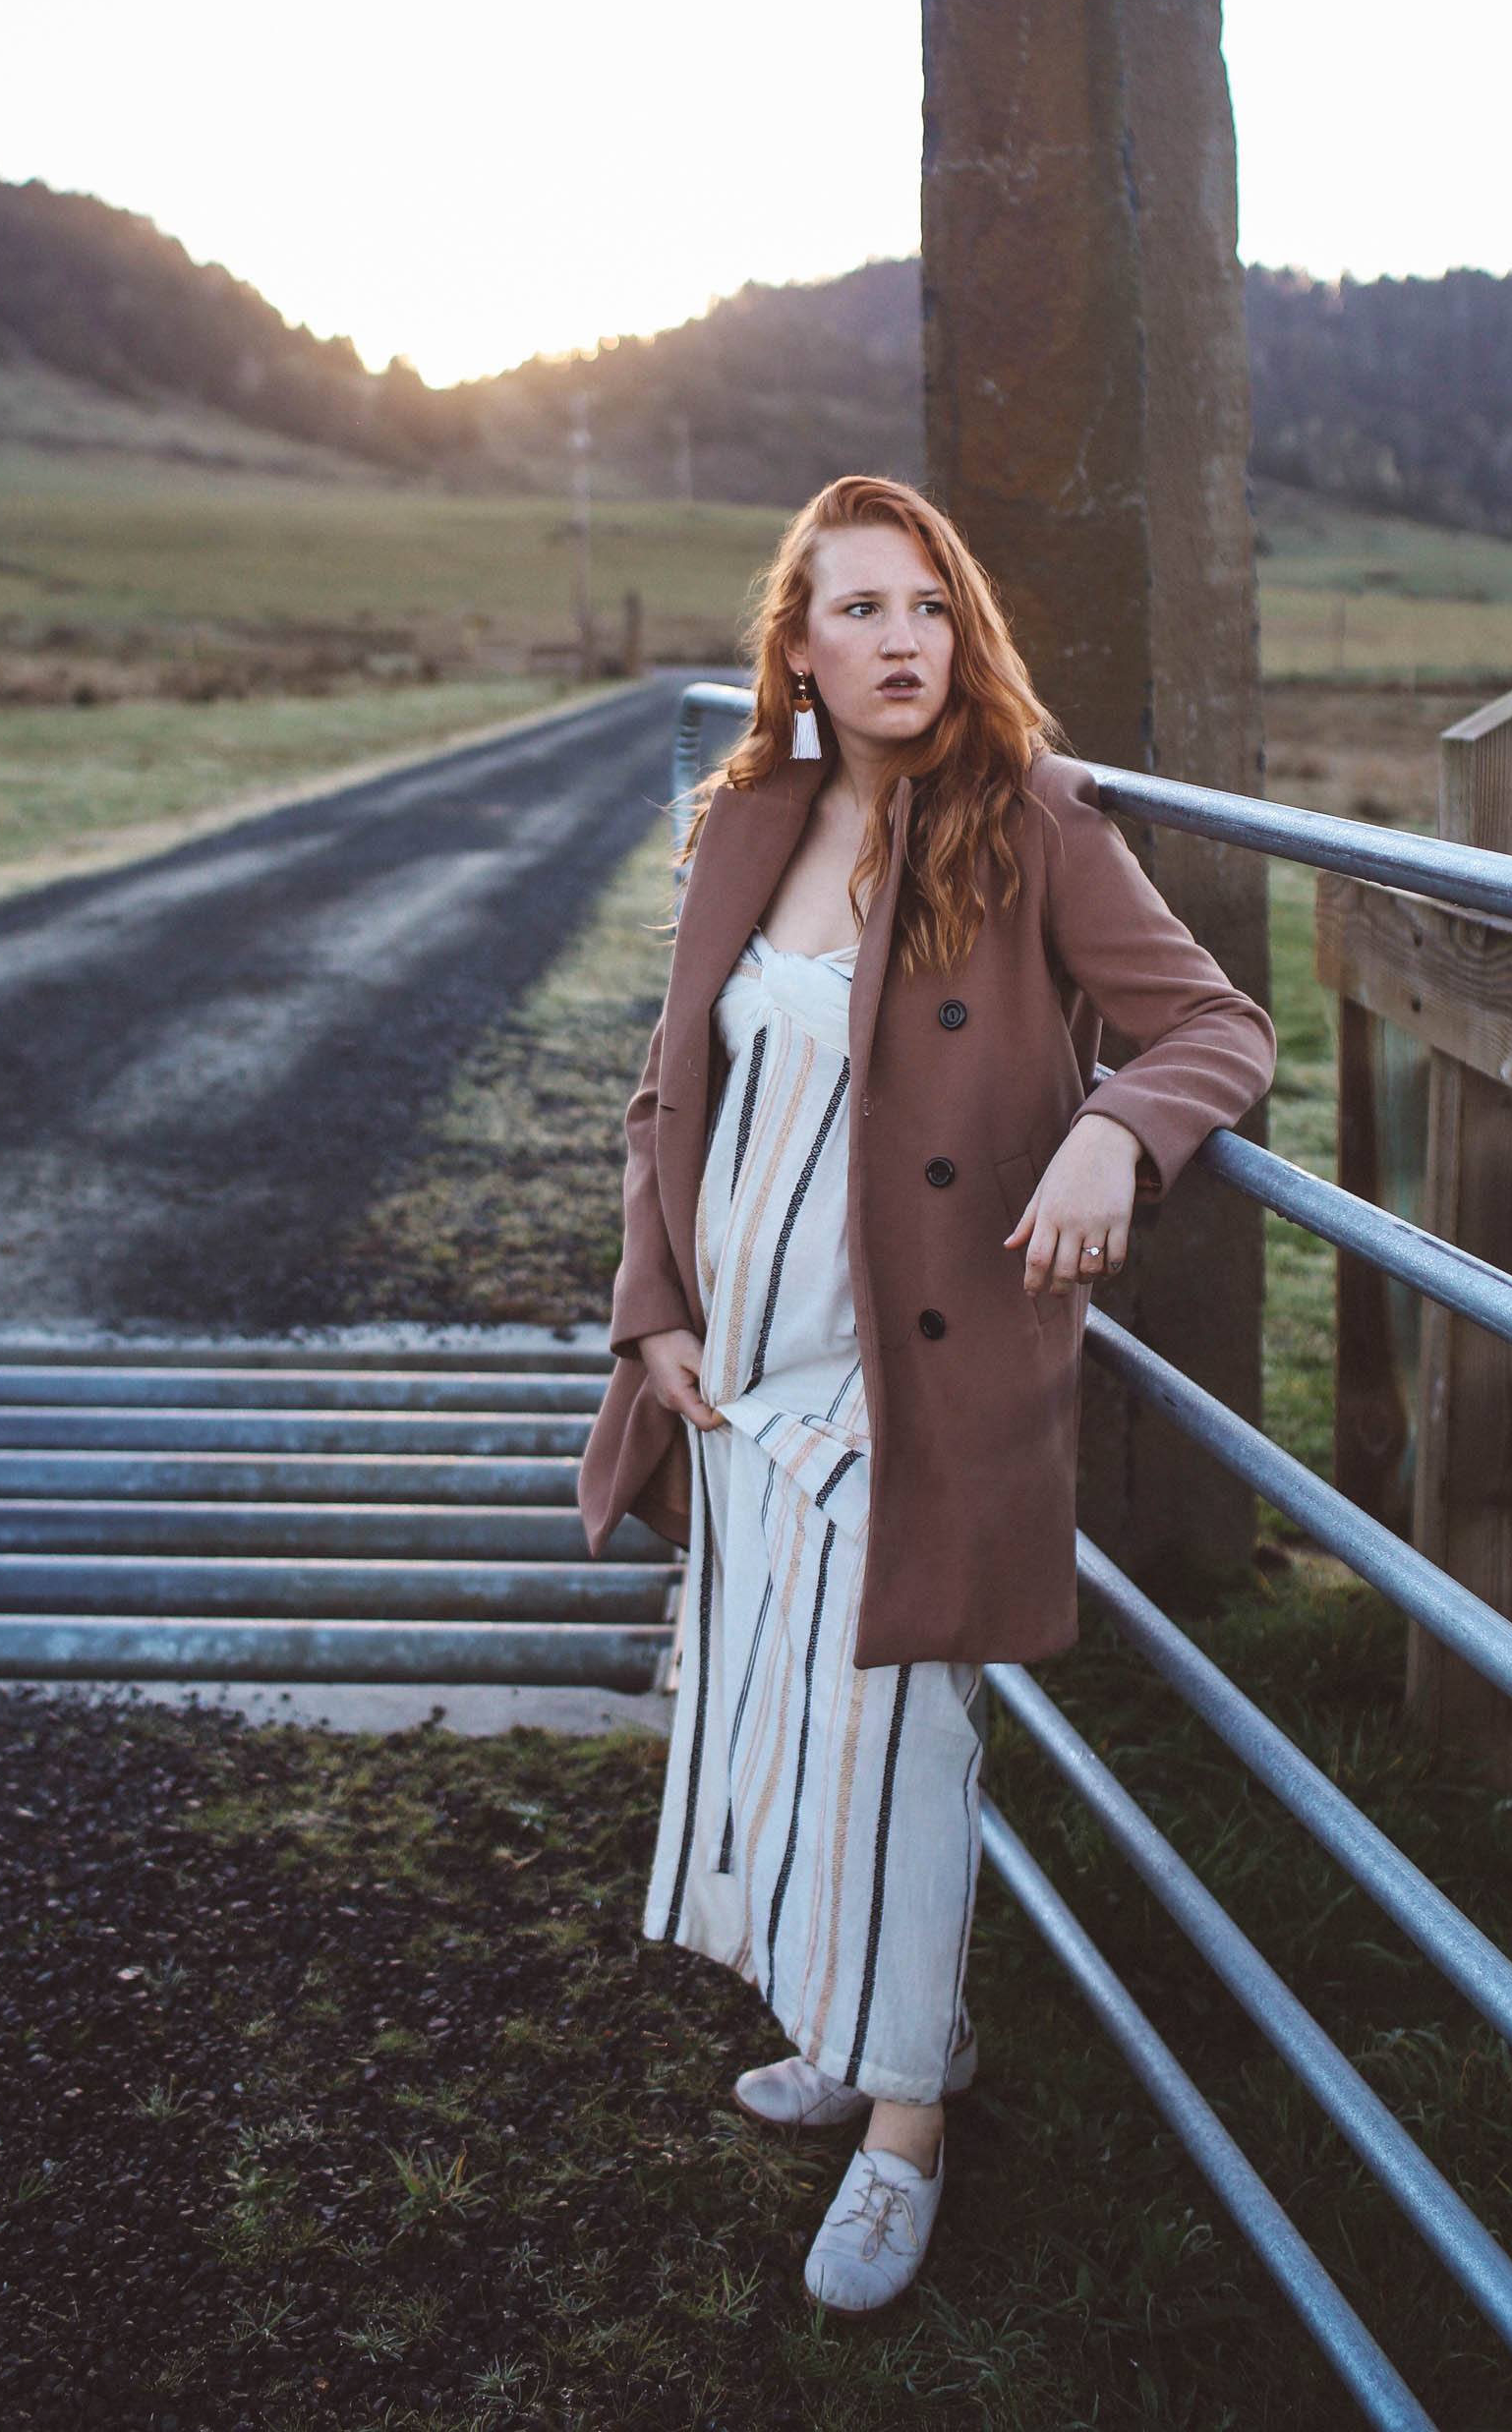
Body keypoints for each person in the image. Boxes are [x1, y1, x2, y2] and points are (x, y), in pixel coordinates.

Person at [576, 474, 1277, 2316]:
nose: (901, 644)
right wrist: (655, 1308)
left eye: (929, 610)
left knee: (898, 1743)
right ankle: (846, 2018)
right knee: (773, 1724)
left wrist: (1117, 1135)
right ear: (796, 651)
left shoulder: (1032, 820)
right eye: (859, 612)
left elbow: (1215, 1023)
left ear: (964, 634)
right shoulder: (747, 818)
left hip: (919, 1376)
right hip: (738, 1374)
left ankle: (905, 2132)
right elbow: (671, 1094)